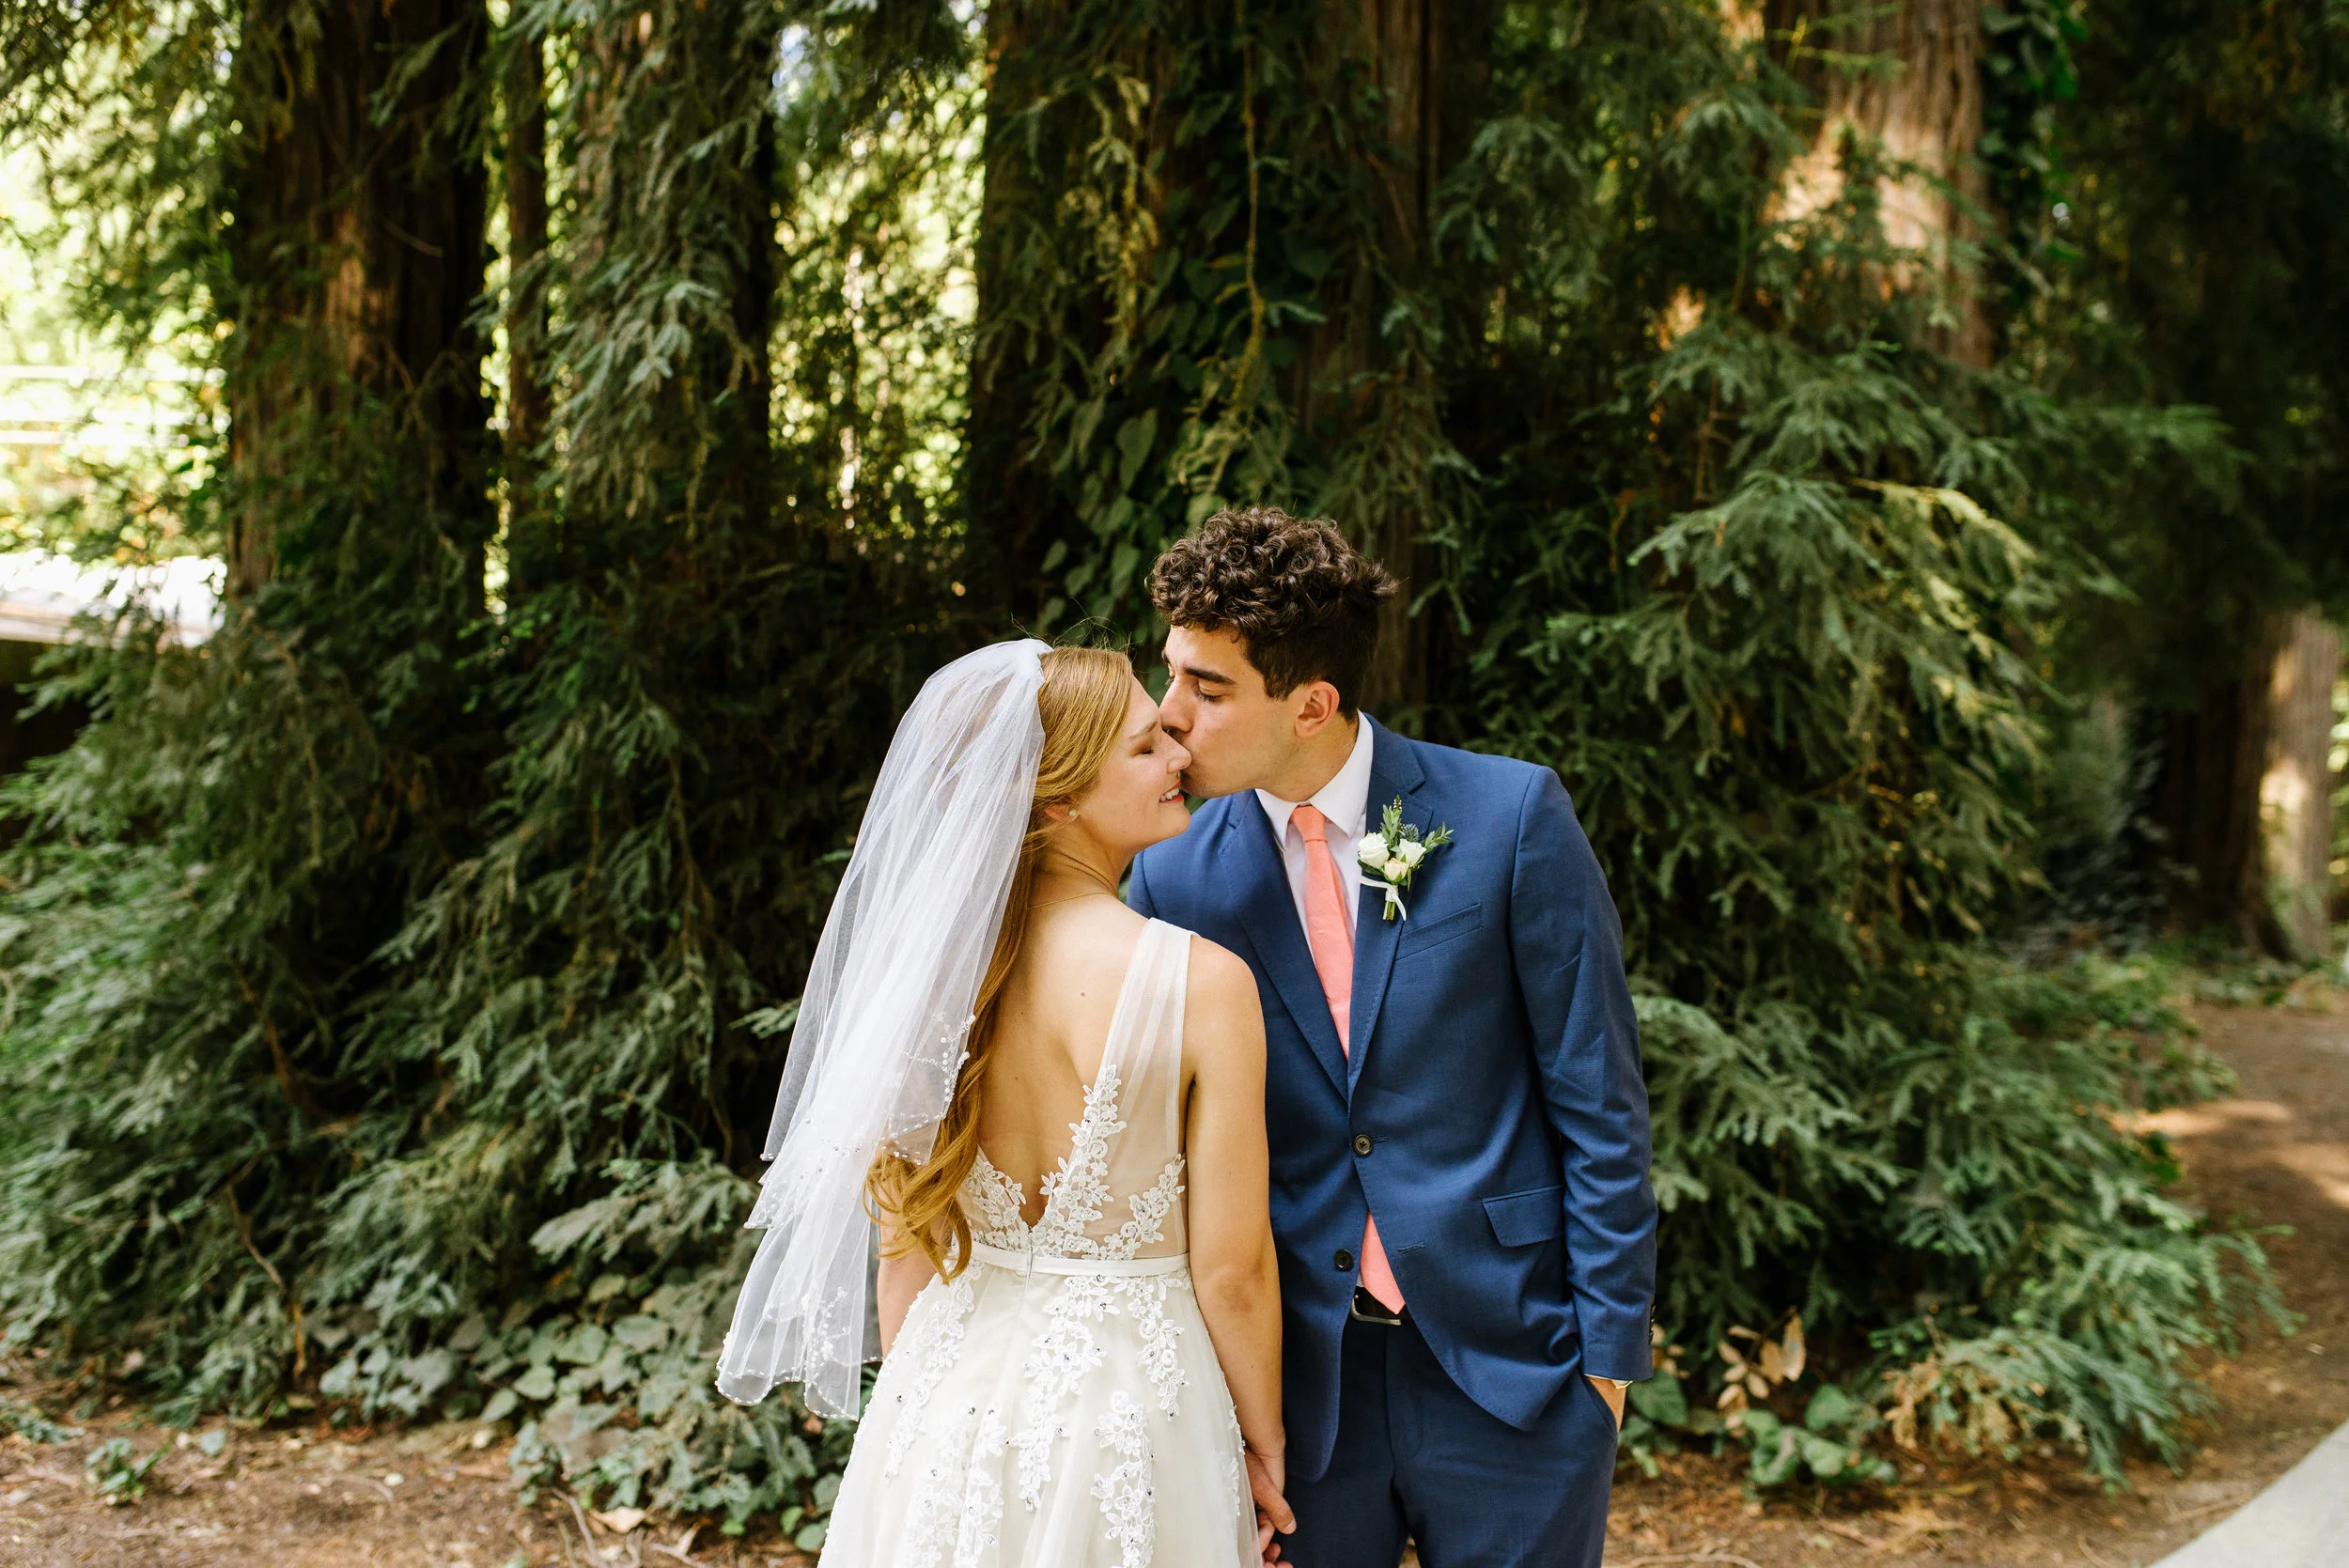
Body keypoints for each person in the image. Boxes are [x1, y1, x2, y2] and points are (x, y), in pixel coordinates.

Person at [1128, 507, 1657, 1568]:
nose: (1170, 714)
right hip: (1298, 1393)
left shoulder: (1509, 816)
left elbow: (1597, 1098)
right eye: (1172, 674)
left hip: (1517, 1367)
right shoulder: (1169, 873)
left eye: (1209, 686)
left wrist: (1605, 1365)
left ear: (1312, 703)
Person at [716, 640, 1296, 1568]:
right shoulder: (1203, 984)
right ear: (1057, 795)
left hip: (944, 1403)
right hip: (1134, 1417)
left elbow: (902, 1248)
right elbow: (1232, 1271)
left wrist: (915, 1427)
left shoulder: (933, 991)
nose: (1180, 756)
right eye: (1146, 748)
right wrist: (1262, 1446)